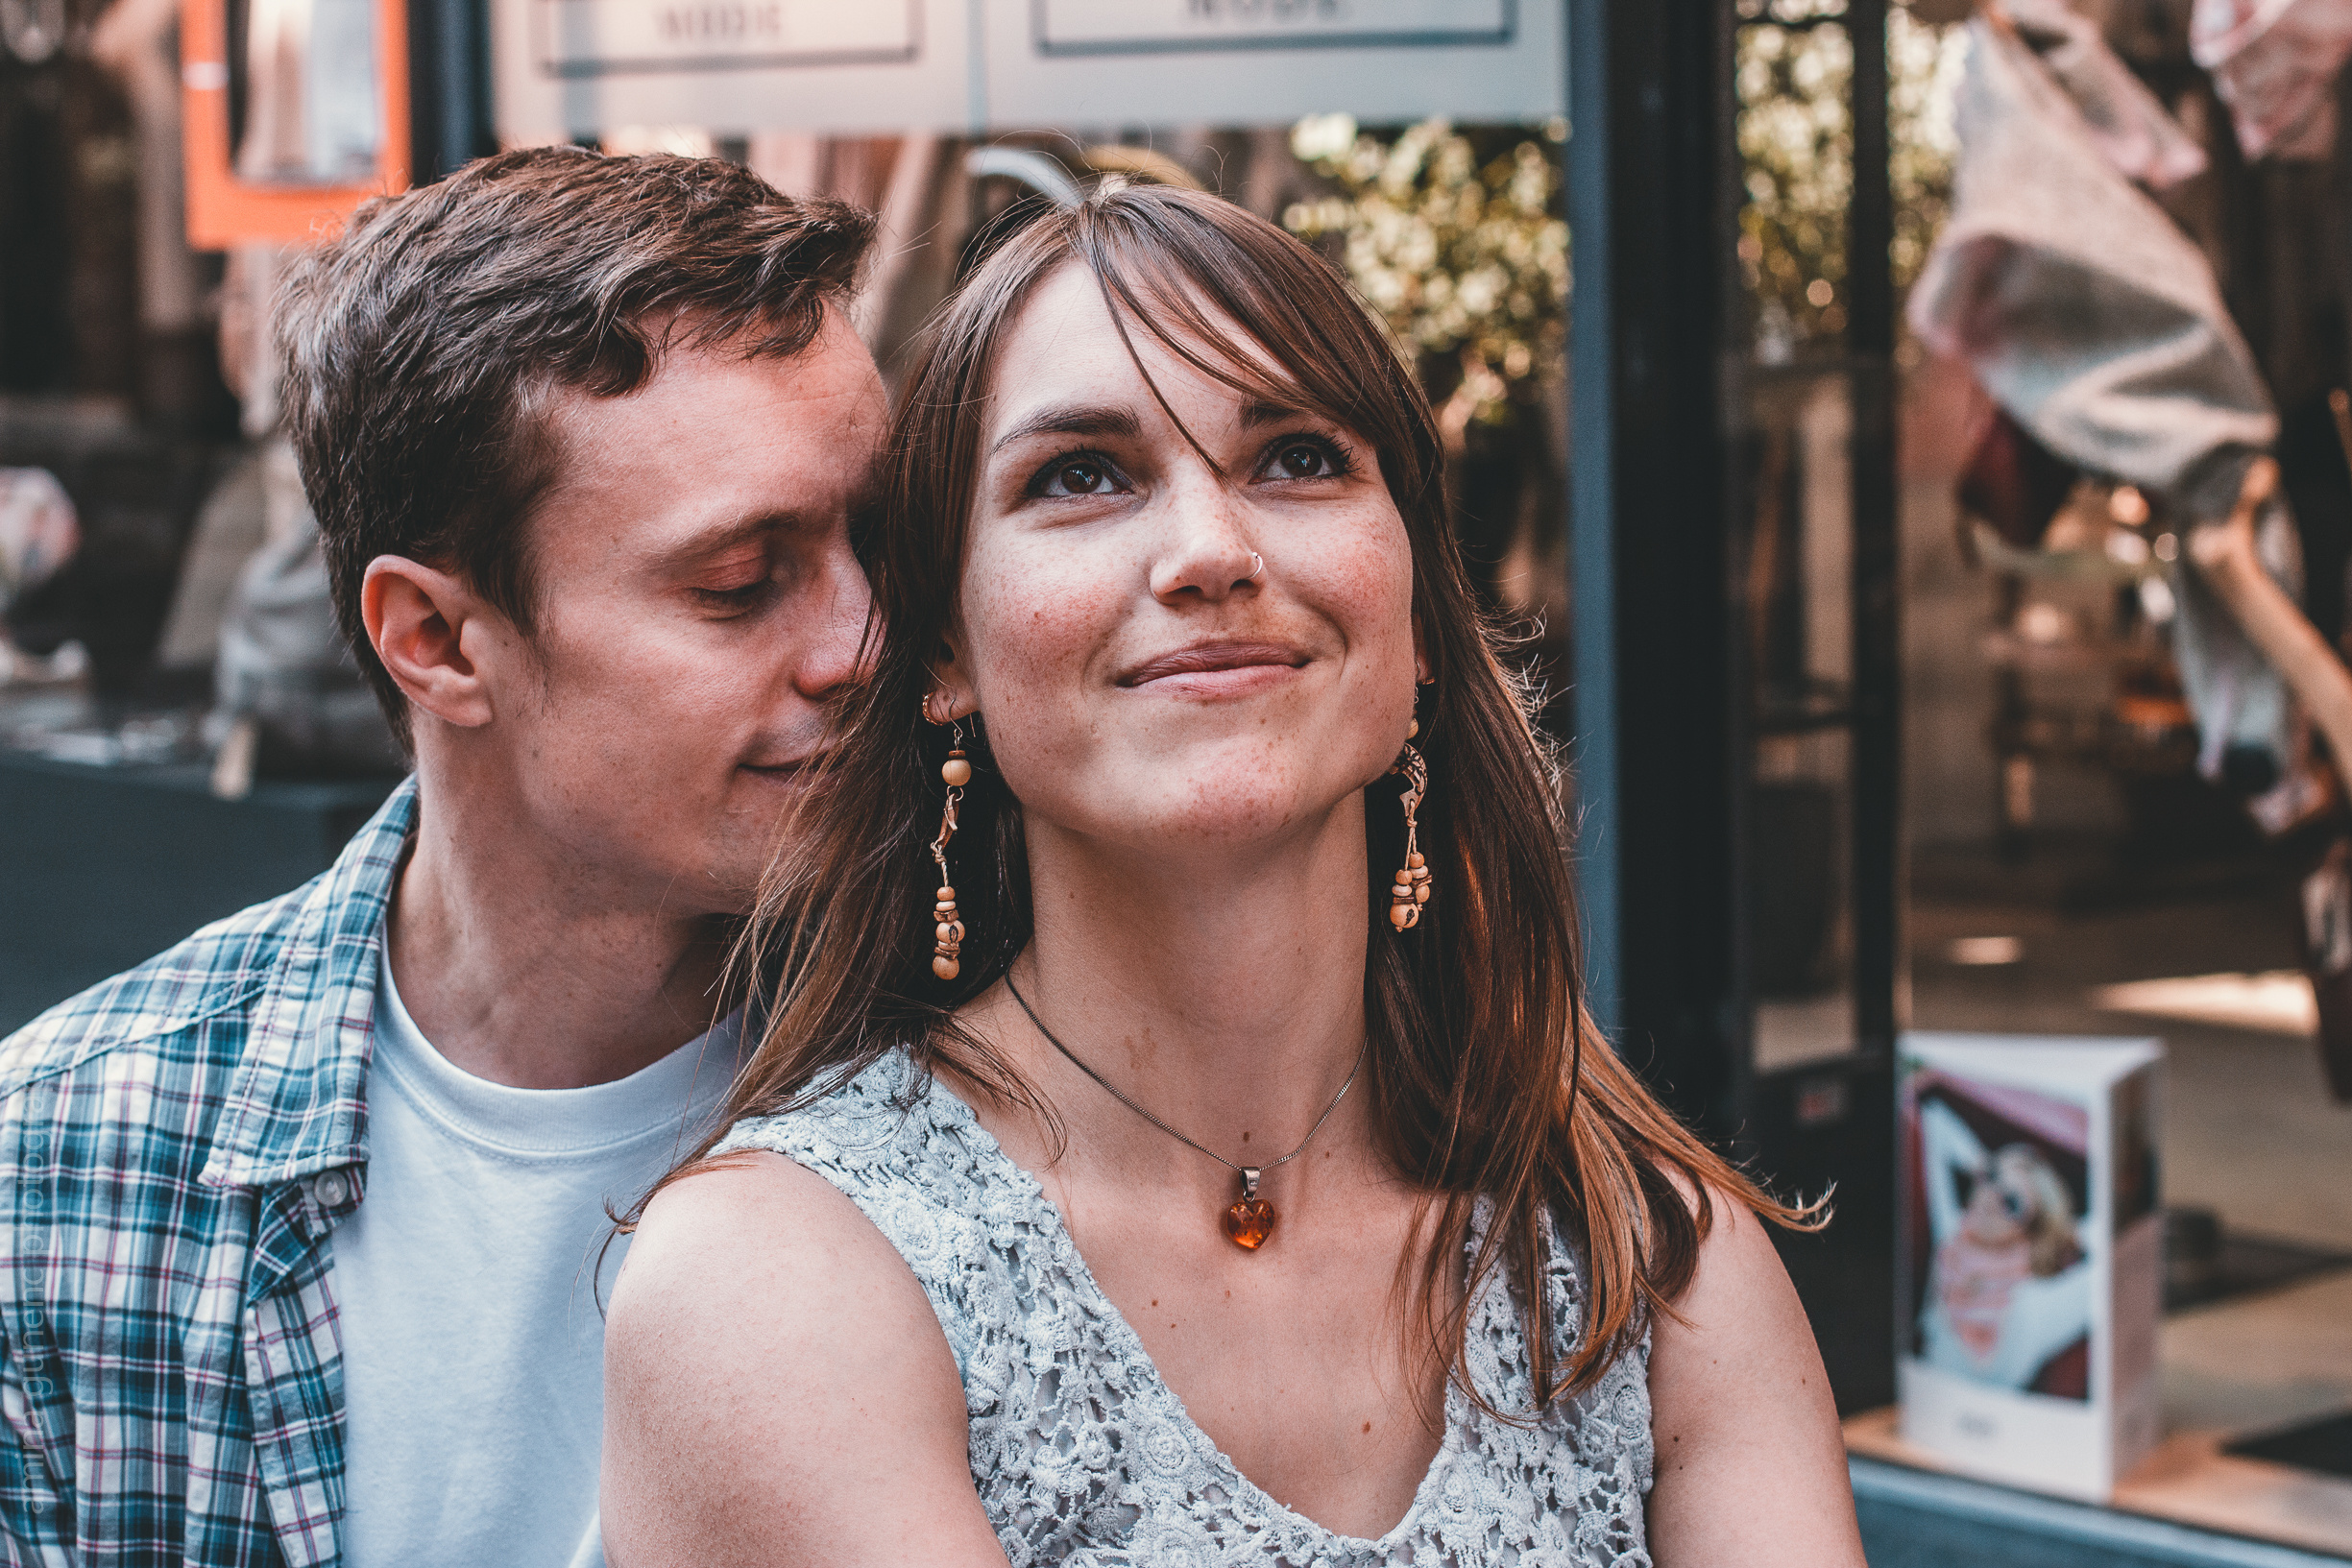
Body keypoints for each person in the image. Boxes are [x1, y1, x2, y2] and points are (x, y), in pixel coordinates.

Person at [602, 184, 1866, 1566]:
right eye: (1081, 474)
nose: (1211, 551)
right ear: (946, 654)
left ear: (1418, 612)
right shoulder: (777, 1279)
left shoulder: (1650, 1257)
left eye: (1298, 458)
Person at [0, 147, 882, 1565]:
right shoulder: (68, 1171)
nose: (863, 643)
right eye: (739, 583)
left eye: (885, 544)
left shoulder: (1016, 1072)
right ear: (439, 640)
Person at [1917, 1097, 2092, 1392]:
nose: (1989, 1196)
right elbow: (1934, 1119)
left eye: (2010, 1202)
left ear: (2032, 1232)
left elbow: (2116, 1260)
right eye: (1991, 1177)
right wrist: (1983, 1164)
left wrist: (2066, 1233)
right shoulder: (1950, 1239)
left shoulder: (2034, 1302)